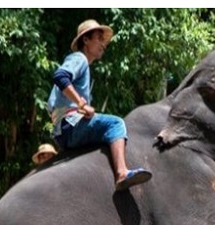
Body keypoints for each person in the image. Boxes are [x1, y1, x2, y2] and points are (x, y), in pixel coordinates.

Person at [47, 19, 152, 191]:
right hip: (70, 125)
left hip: (62, 131)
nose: (103, 44)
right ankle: (121, 173)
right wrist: (81, 103)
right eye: (98, 38)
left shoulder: (85, 68)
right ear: (86, 40)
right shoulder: (79, 58)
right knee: (115, 124)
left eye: (103, 40)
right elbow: (60, 76)